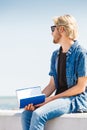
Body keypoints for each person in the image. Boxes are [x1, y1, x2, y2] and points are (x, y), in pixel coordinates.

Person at [21, 14, 87, 130]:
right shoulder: (55, 55)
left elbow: (80, 88)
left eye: (53, 28)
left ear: (61, 29)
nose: (51, 33)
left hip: (75, 99)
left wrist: (51, 99)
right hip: (59, 99)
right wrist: (35, 100)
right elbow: (52, 85)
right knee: (26, 114)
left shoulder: (81, 54)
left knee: (38, 114)